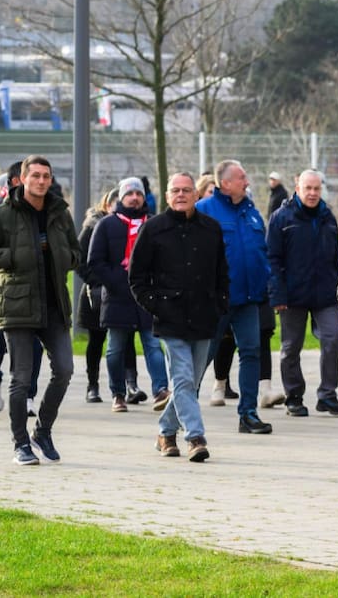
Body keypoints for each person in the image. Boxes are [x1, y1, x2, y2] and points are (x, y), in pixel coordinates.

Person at [0, 155, 80, 465]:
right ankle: (20, 444)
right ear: (22, 179)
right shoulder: (0, 214)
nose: (41, 181)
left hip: (54, 304)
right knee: (21, 379)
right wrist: (13, 256)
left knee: (64, 370)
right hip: (17, 304)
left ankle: (43, 430)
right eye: (35, 175)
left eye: (46, 176)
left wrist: (62, 256)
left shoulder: (60, 214)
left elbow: (76, 252)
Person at [129, 172, 228, 463]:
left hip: (204, 316)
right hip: (170, 318)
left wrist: (222, 302)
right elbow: (137, 278)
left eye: (187, 190)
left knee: (190, 383)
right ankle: (195, 437)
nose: (181, 195)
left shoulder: (211, 228)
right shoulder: (154, 229)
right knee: (183, 377)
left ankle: (165, 432)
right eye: (175, 190)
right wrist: (156, 306)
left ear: (196, 195)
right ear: (167, 195)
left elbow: (222, 271)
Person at [196, 160, 273, 435]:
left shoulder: (250, 211)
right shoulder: (203, 211)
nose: (248, 181)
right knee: (202, 356)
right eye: (242, 177)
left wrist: (265, 279)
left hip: (249, 299)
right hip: (215, 300)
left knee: (251, 352)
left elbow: (261, 250)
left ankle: (248, 414)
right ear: (225, 183)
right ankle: (184, 412)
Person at [268, 169, 338, 418]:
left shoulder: (328, 217)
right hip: (292, 296)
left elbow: (336, 255)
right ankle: (294, 396)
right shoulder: (281, 218)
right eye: (308, 188)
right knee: (291, 347)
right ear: (297, 187)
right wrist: (278, 295)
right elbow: (272, 258)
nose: (313, 193)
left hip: (325, 294)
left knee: (332, 338)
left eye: (316, 188)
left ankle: (327, 395)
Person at [90, 177, 171, 412]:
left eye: (139, 194)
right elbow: (95, 261)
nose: (134, 198)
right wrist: (119, 282)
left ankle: (161, 390)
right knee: (115, 349)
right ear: (121, 198)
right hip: (117, 298)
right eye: (129, 194)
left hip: (147, 297)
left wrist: (152, 285)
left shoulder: (155, 224)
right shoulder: (106, 225)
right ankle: (118, 393)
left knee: (154, 346)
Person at [0, 161, 45, 416]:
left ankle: (28, 395)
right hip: (0, 290)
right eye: (32, 177)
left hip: (33, 291)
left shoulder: (44, 211)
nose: (40, 183)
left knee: (33, 346)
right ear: (17, 181)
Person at [76, 188, 120, 404]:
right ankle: (92, 385)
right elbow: (79, 260)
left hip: (123, 292)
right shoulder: (92, 226)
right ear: (107, 204)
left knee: (124, 341)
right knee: (97, 339)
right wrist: (98, 281)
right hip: (96, 293)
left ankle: (127, 386)